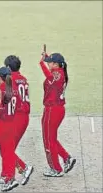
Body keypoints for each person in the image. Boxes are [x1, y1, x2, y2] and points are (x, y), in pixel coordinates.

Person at [39, 48, 76, 177]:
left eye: (50, 62)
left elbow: (50, 76)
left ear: (55, 64)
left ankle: (56, 168)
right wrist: (47, 58)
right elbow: (52, 74)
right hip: (55, 109)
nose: (48, 63)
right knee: (51, 138)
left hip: (52, 110)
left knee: (48, 140)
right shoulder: (59, 71)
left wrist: (41, 64)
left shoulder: (57, 74)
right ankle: (66, 158)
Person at [0, 55, 33, 185]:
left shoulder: (10, 79)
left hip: (16, 117)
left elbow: (6, 99)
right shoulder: (23, 79)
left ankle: (23, 169)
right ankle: (6, 174)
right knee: (7, 147)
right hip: (24, 117)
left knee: (6, 149)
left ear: (8, 67)